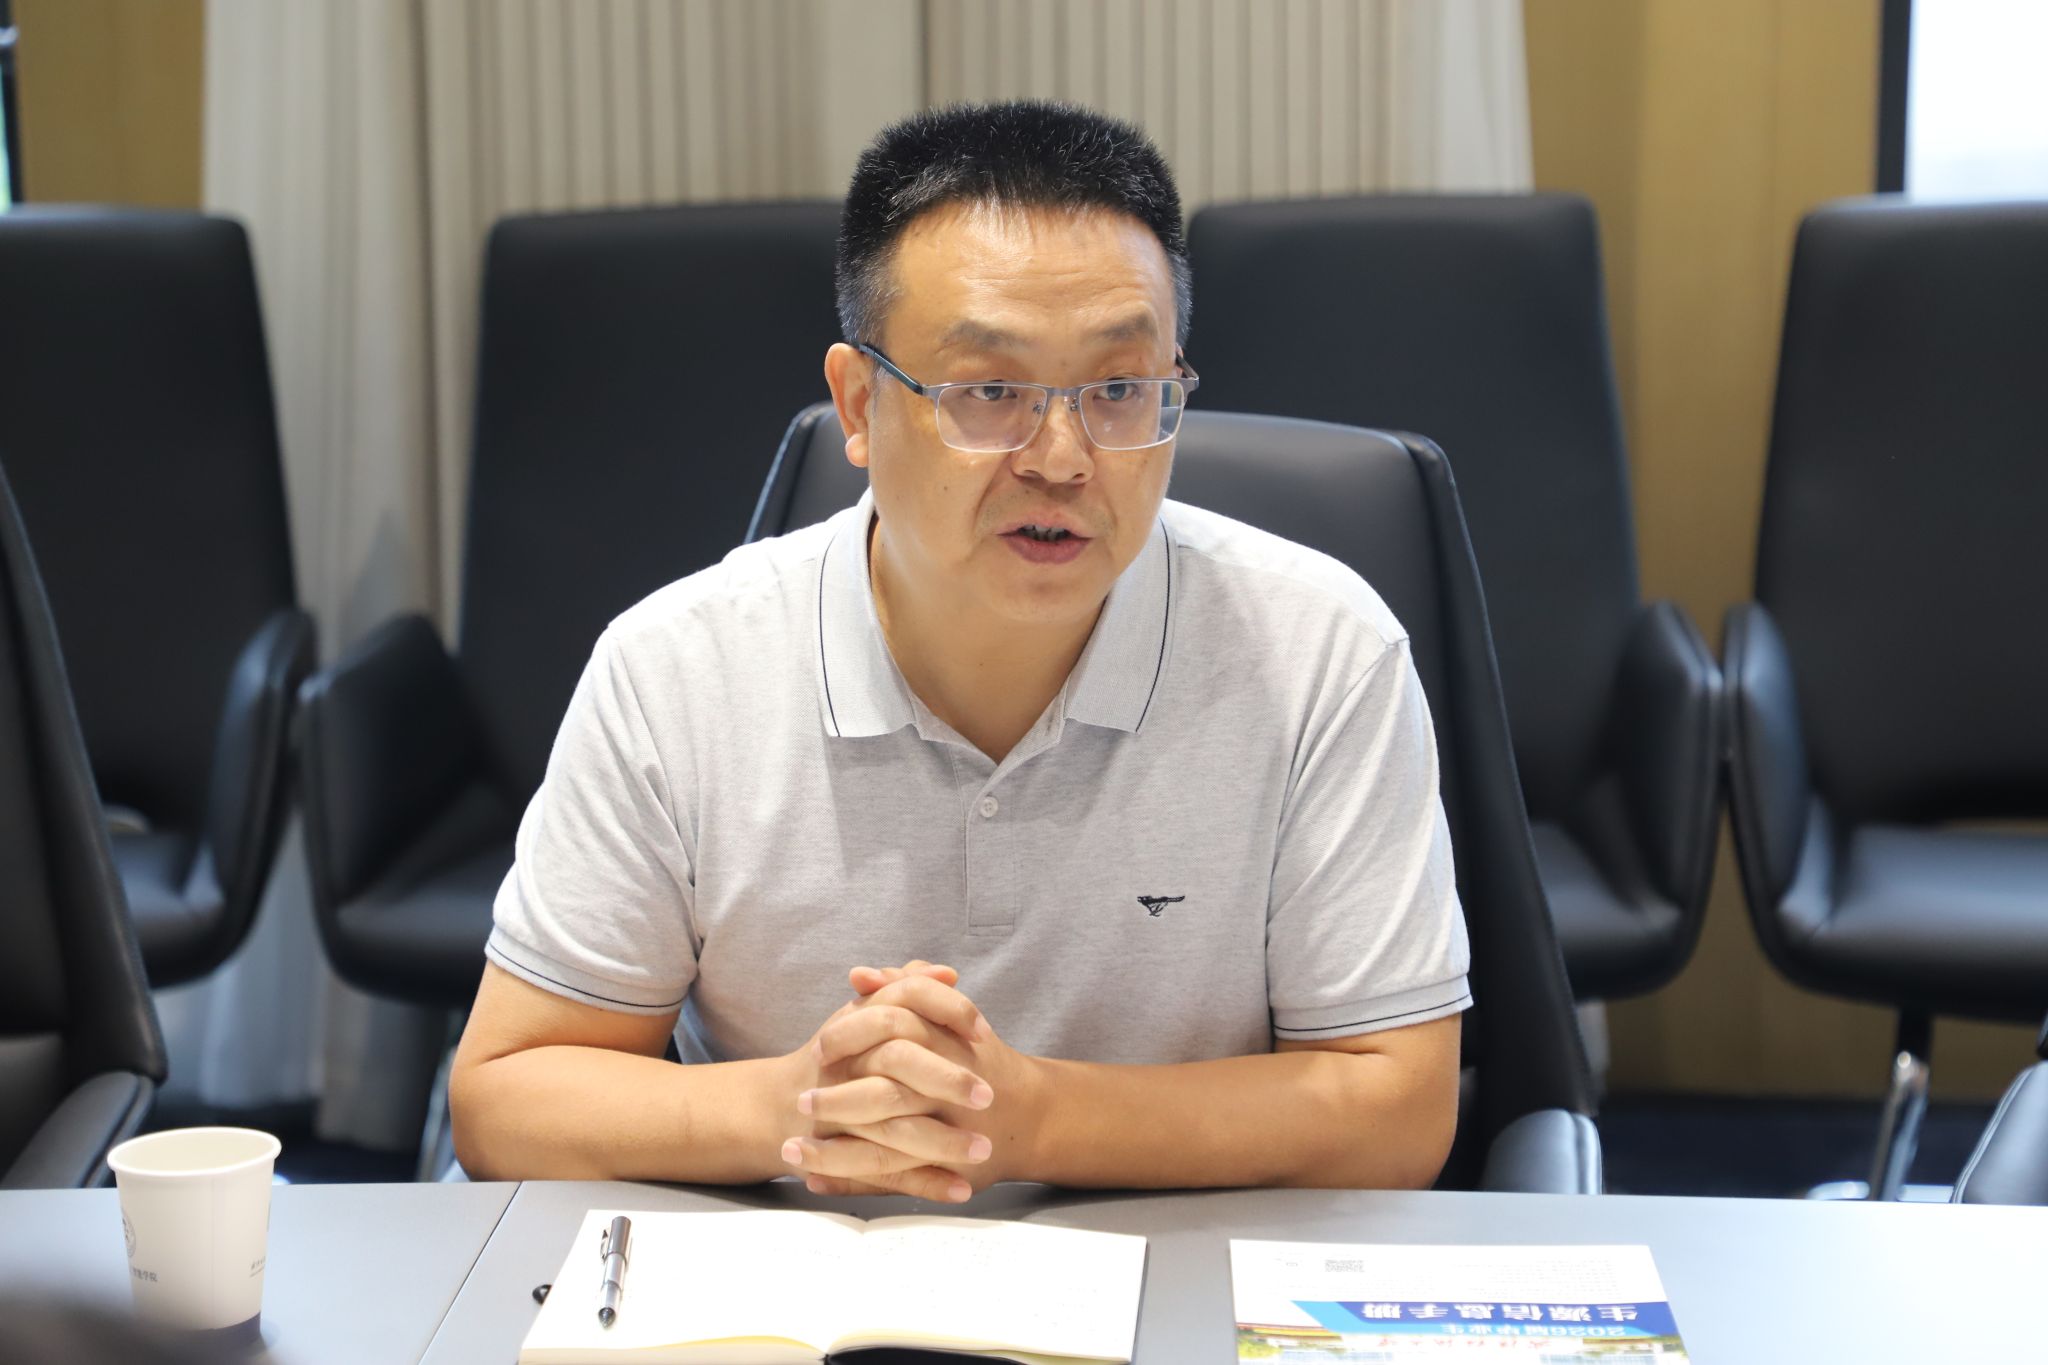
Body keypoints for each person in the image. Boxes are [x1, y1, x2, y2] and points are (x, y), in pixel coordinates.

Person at [449, 100, 1469, 1199]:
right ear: (858, 404)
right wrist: (794, 1108)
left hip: (1174, 1271)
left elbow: (1396, 1109)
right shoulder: (677, 670)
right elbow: (506, 1096)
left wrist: (1030, 1119)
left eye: (1119, 390)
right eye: (989, 392)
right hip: (800, 1276)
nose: (1062, 458)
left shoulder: (1319, 653)